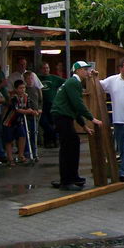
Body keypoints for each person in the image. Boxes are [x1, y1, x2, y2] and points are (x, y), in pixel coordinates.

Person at [51, 61, 103, 191]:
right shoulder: (74, 83)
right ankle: (66, 181)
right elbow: (78, 104)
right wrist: (92, 118)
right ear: (77, 71)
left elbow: (74, 108)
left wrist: (84, 126)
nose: (87, 72)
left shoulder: (73, 83)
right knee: (67, 147)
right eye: (84, 69)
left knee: (73, 143)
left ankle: (72, 177)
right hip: (62, 117)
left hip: (65, 116)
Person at [3, 80, 37, 165]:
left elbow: (28, 107)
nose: (23, 90)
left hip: (19, 120)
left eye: (24, 88)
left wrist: (33, 111)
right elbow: (17, 109)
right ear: (16, 89)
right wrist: (28, 112)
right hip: (9, 121)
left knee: (22, 136)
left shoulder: (26, 96)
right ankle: (10, 158)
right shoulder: (13, 98)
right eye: (20, 88)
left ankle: (21, 155)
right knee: (9, 140)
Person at [38, 62, 65, 148]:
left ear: (49, 69)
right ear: (40, 69)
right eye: (43, 68)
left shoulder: (54, 78)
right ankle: (49, 140)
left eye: (47, 68)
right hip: (41, 104)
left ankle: (54, 141)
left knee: (53, 122)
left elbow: (66, 83)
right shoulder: (38, 78)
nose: (45, 70)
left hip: (52, 104)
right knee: (44, 123)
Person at [22, 71, 43, 159]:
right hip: (27, 114)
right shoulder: (24, 90)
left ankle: (34, 151)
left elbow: (40, 100)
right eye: (28, 79)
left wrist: (40, 108)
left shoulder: (36, 89)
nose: (30, 80)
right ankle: (27, 151)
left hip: (36, 114)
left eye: (31, 78)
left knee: (35, 132)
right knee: (27, 133)